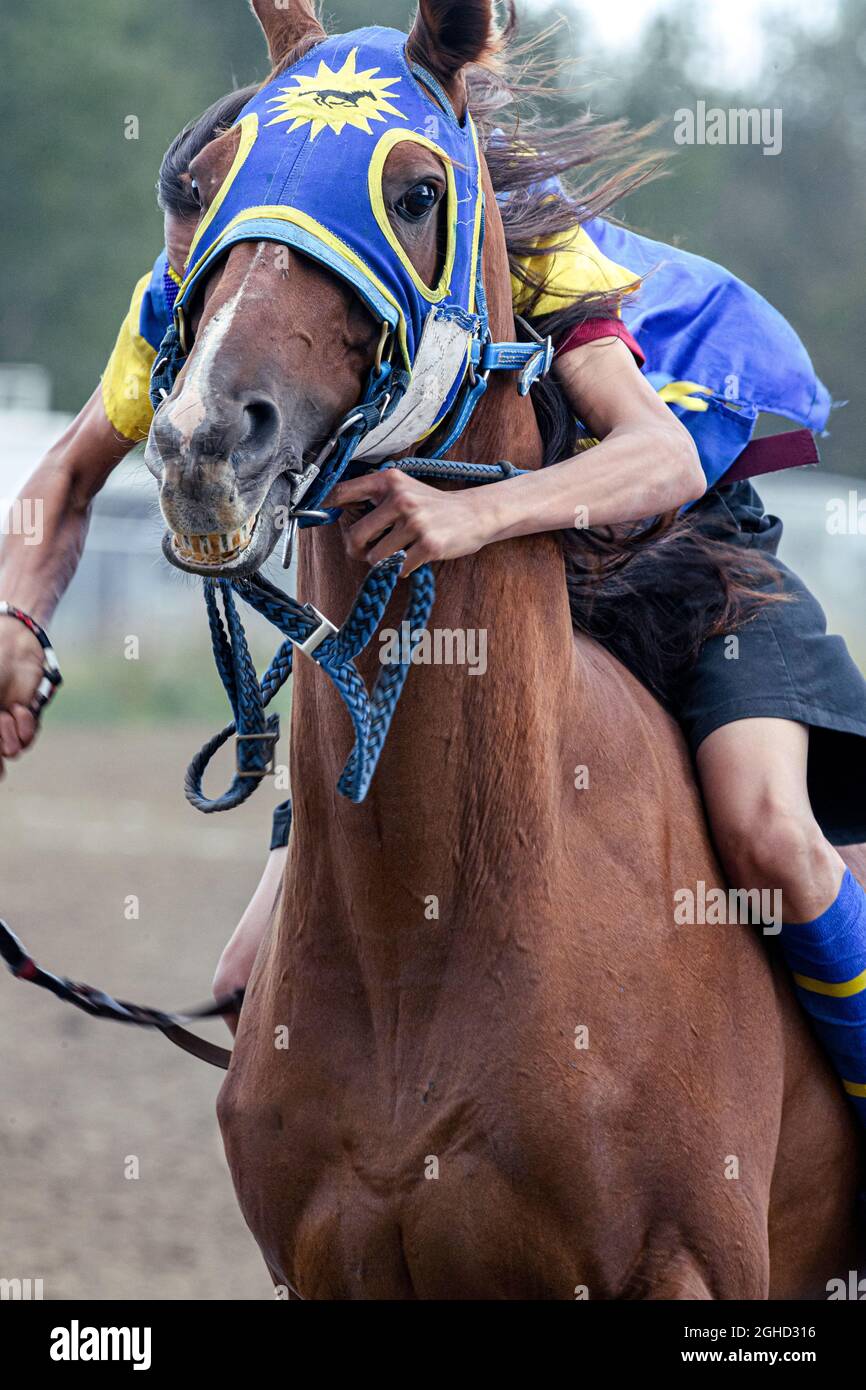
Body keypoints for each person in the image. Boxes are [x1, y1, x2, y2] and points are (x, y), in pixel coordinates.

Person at [1, 82, 864, 1131]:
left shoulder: (523, 245)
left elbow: (661, 456)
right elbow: (68, 476)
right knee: (244, 972)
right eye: (191, 231)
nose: (196, 262)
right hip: (475, 611)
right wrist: (19, 620)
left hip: (685, 562)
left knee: (765, 826)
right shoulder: (204, 287)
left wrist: (473, 515)